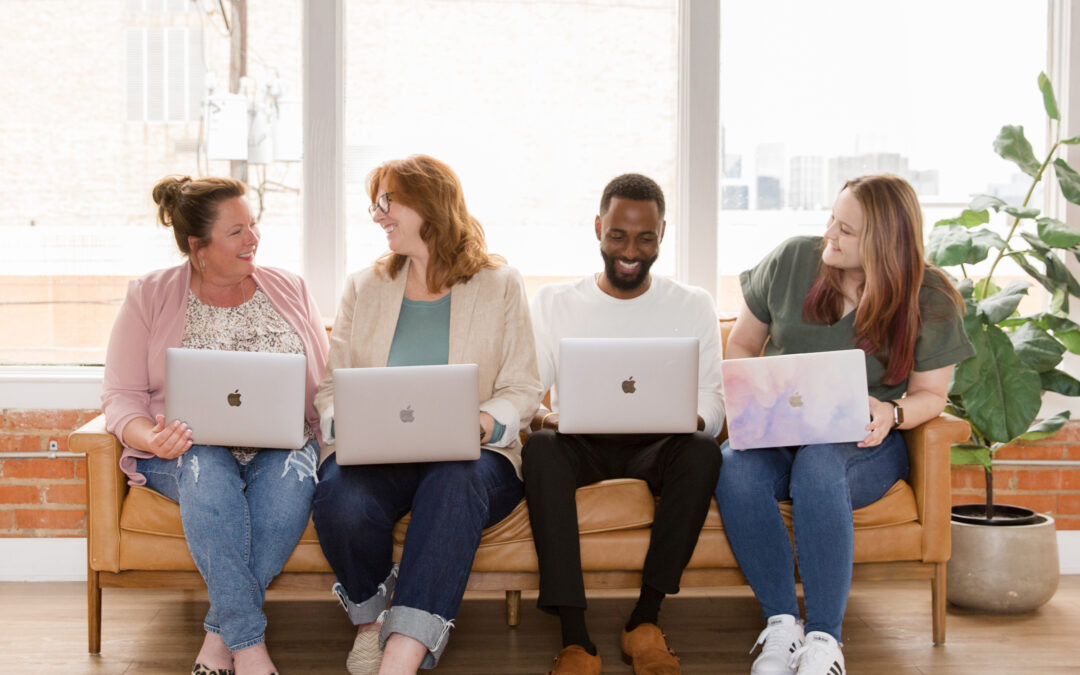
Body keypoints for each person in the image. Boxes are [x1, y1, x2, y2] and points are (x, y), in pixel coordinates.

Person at [716, 174, 975, 675]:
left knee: (819, 464)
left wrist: (892, 412)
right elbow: (743, 344)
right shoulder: (792, 260)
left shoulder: (931, 295)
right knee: (733, 466)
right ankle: (782, 627)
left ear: (884, 241)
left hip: (864, 443)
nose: (829, 235)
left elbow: (931, 396)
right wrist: (752, 396)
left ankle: (824, 641)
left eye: (847, 230)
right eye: (832, 219)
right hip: (782, 434)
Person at [311, 154, 542, 674]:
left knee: (453, 481)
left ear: (429, 203)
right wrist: (344, 420)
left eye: (387, 202)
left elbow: (524, 385)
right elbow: (330, 387)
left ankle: (402, 653)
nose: (377, 215)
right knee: (341, 500)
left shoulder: (499, 282)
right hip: (379, 457)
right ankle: (372, 622)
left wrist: (481, 423)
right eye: (375, 204)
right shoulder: (363, 287)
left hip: (474, 459)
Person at [101, 176, 329, 675]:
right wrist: (150, 438)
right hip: (185, 447)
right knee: (206, 470)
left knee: (292, 483)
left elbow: (324, 382)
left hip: (281, 443)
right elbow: (121, 396)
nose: (253, 240)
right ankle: (249, 649)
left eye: (253, 226)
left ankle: (217, 641)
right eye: (236, 232)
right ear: (197, 247)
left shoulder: (289, 288)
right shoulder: (149, 295)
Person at [522, 173, 725, 675]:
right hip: (580, 442)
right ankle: (575, 638)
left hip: (659, 444)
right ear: (598, 229)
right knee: (540, 451)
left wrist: (684, 414)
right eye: (618, 235)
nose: (630, 249)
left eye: (645, 237)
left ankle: (645, 620)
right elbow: (526, 393)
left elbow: (714, 400)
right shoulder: (554, 302)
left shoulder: (693, 303)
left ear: (662, 235)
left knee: (702, 449)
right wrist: (551, 416)